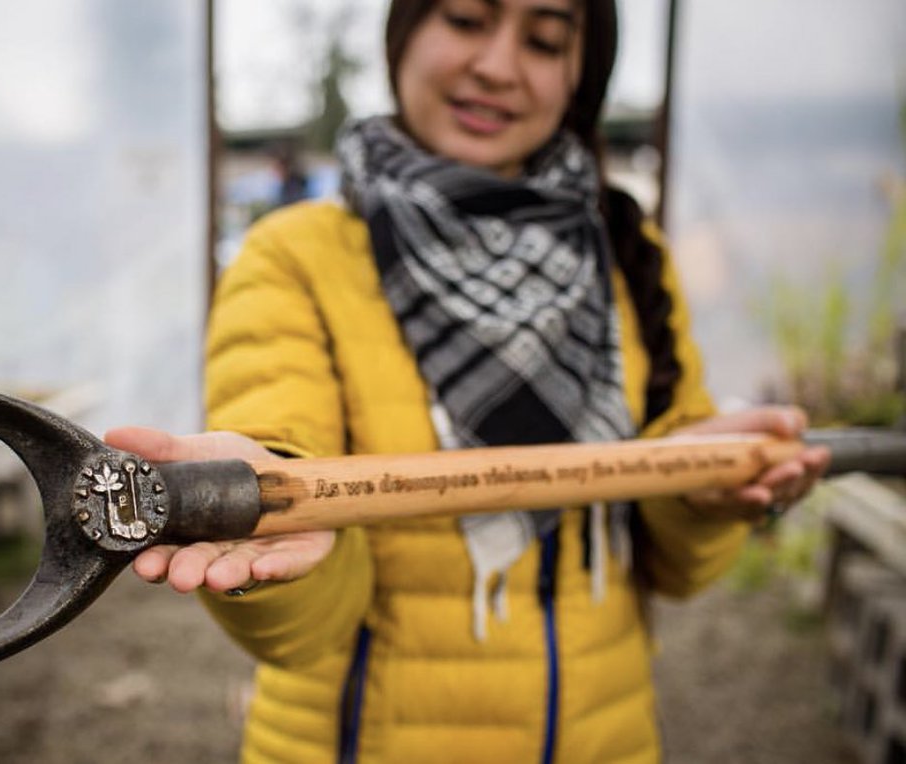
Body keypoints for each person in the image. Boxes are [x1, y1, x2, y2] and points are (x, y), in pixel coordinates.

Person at [107, 1, 831, 761]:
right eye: (465, 19)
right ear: (403, 33)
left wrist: (704, 497)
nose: (498, 67)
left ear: (580, 75)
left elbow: (676, 572)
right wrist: (274, 512)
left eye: (544, 41)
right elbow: (306, 624)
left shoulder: (626, 256)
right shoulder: (295, 255)